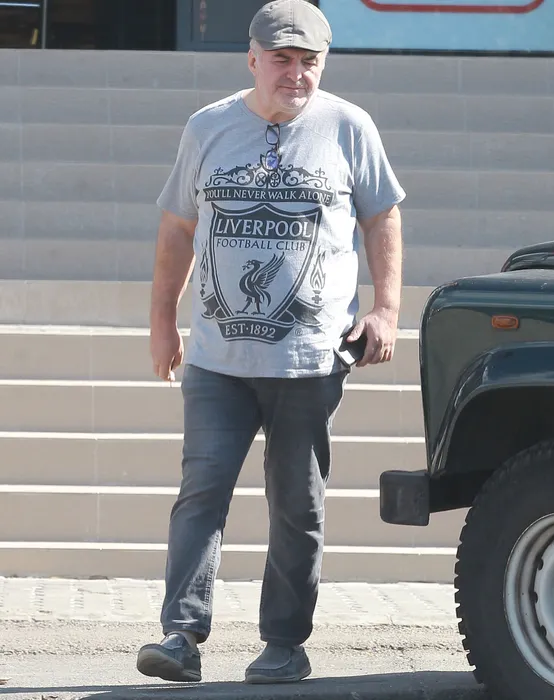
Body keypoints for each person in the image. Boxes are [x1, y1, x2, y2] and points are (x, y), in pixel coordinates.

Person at [135, 0, 405, 685]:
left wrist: (386, 309)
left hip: (310, 359)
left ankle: (284, 644)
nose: (295, 74)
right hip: (217, 358)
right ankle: (180, 636)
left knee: (296, 505)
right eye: (281, 59)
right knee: (201, 492)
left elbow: (382, 217)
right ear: (252, 58)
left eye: (309, 61)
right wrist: (162, 320)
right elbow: (177, 228)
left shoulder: (349, 127)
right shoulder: (208, 127)